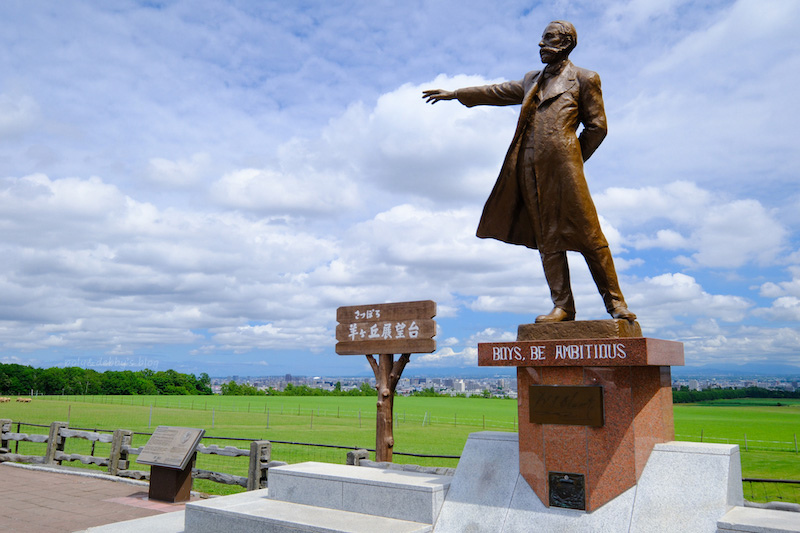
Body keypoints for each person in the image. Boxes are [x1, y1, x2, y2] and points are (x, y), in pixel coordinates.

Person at [423, 20, 635, 323]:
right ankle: (563, 306)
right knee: (547, 237)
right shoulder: (531, 80)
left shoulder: (586, 79)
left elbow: (597, 127)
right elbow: (496, 91)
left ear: (565, 43)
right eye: (542, 38)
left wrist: (572, 158)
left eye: (548, 38)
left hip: (564, 167)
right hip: (528, 168)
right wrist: (457, 94)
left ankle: (616, 303)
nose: (540, 44)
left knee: (589, 234)